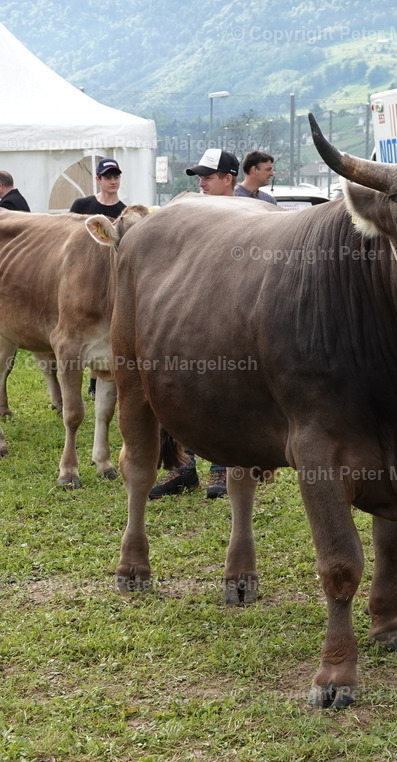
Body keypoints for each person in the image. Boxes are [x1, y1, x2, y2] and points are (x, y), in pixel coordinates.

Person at [149, 149, 240, 499]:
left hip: (231, 319)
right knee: (182, 391)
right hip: (190, 316)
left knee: (226, 394)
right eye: (199, 176)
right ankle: (183, 468)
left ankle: (222, 469)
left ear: (229, 178)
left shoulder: (253, 214)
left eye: (209, 176)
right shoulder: (191, 213)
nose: (201, 182)